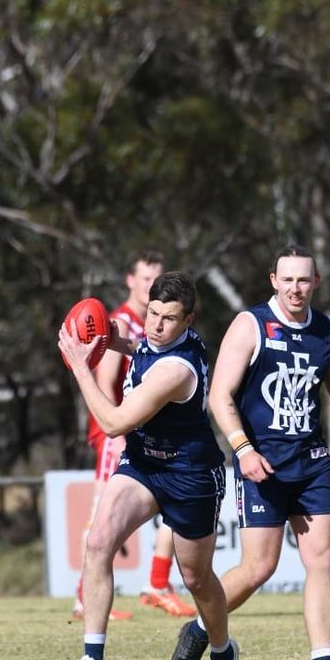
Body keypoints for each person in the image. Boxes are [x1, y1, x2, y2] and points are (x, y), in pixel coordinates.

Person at [170, 245, 330, 660]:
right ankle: (198, 631)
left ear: (316, 282)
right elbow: (218, 396)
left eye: (304, 280)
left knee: (323, 559)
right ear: (273, 280)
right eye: (287, 280)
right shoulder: (251, 325)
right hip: (260, 462)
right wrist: (243, 449)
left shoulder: (327, 330)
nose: (295, 288)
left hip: (313, 462)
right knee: (259, 567)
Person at [58, 271, 239, 660]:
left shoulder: (176, 370)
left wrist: (81, 365)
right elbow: (129, 340)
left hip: (190, 474)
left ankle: (223, 655)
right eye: (153, 313)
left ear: (189, 321)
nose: (156, 324)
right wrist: (97, 331)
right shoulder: (152, 337)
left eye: (169, 319)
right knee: (98, 541)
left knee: (196, 579)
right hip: (143, 465)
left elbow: (115, 423)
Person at [73, 251, 194, 622]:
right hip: (119, 431)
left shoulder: (159, 326)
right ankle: (83, 597)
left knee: (173, 509)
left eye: (155, 279)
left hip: (147, 435)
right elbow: (107, 382)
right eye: (144, 278)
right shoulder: (121, 323)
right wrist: (118, 436)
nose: (149, 285)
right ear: (130, 280)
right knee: (101, 516)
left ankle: (157, 585)